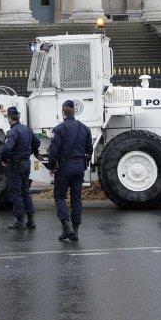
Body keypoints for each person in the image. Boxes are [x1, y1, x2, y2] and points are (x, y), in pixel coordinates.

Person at [47, 100, 92, 242]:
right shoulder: (85, 128)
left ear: (63, 112)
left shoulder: (59, 129)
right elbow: (89, 150)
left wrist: (52, 166)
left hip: (65, 166)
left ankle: (67, 227)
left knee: (59, 197)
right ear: (74, 112)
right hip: (79, 166)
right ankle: (75, 230)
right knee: (76, 198)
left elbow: (53, 150)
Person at [0, 106, 40, 230]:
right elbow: (37, 142)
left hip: (16, 165)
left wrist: (5, 159)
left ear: (9, 118)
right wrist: (28, 153)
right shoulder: (26, 129)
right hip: (26, 164)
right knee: (25, 192)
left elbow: (6, 149)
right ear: (18, 117)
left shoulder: (12, 132)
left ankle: (20, 221)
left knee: (15, 193)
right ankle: (31, 220)